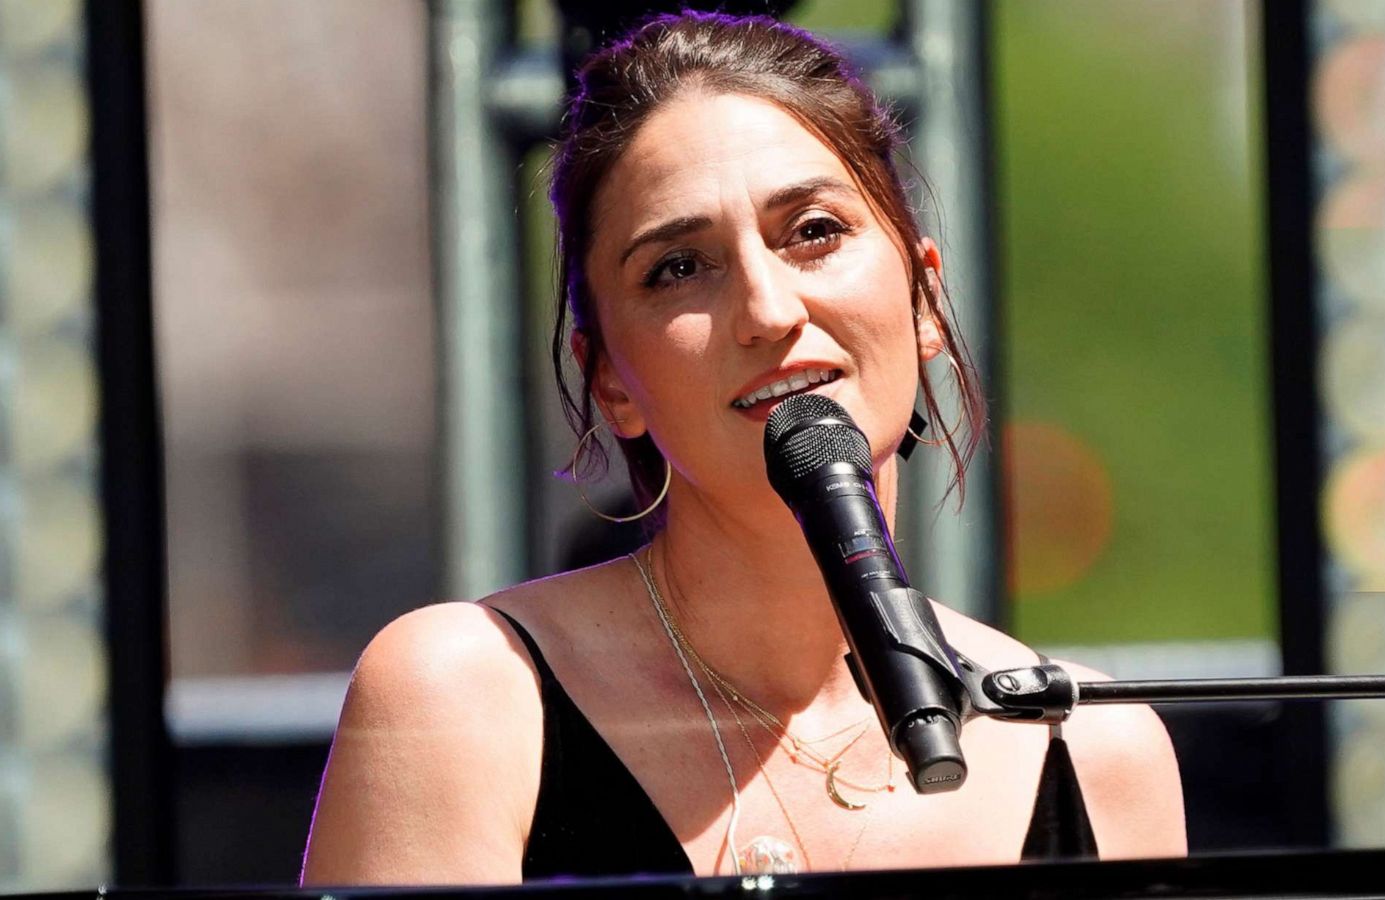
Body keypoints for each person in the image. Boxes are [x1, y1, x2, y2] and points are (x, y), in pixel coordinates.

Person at [300, 11, 1185, 885]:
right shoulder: (460, 698)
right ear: (608, 376)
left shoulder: (1093, 745)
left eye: (813, 232)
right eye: (679, 267)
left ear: (921, 297)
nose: (768, 312)